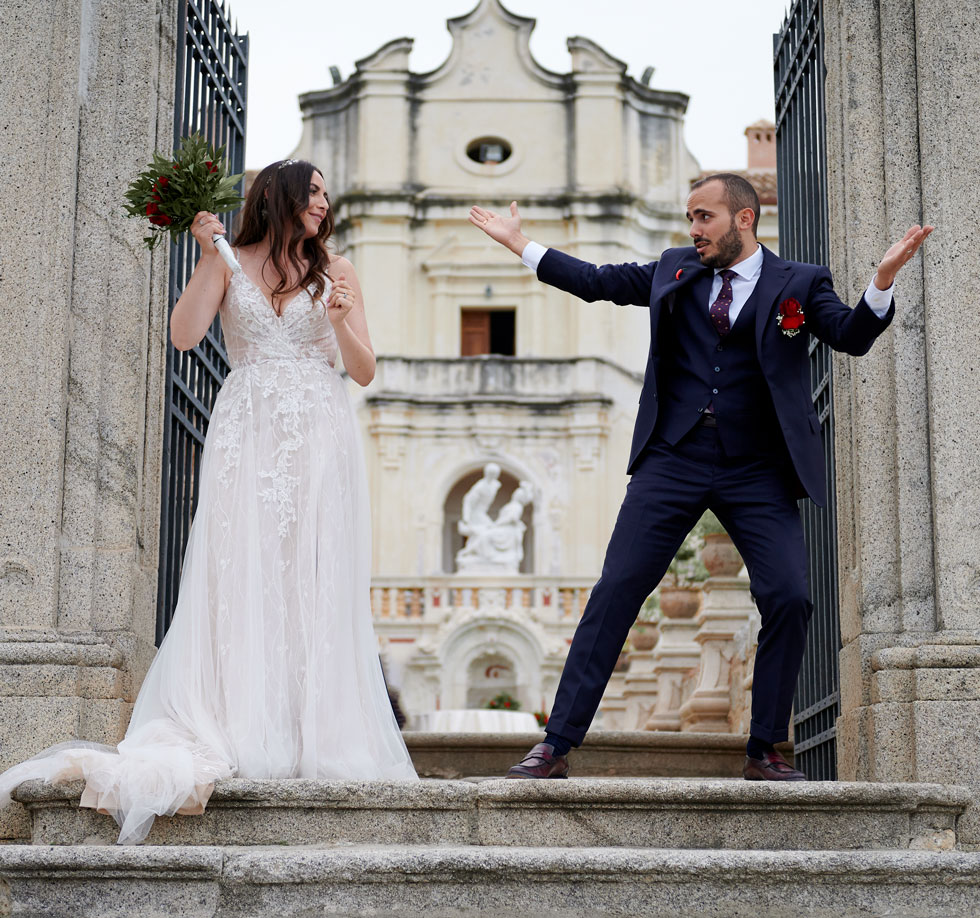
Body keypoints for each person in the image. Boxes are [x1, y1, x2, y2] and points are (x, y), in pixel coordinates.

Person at [0, 159, 417, 843]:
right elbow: (185, 335)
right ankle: (240, 720)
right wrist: (204, 256)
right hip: (247, 429)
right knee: (240, 570)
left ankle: (315, 733)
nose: (322, 204)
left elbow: (365, 369)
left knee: (310, 576)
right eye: (312, 194)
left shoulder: (338, 270)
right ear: (279, 199)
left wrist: (342, 321)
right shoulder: (228, 258)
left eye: (324, 196)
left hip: (318, 429)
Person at [468, 174, 932, 781]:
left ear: (744, 219)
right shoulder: (674, 269)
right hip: (674, 459)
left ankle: (764, 750)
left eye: (704, 217)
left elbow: (850, 336)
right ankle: (555, 745)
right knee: (615, 593)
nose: (693, 230)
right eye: (690, 217)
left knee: (790, 596)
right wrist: (521, 244)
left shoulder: (800, 283)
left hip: (759, 468)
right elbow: (597, 283)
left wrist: (882, 281)